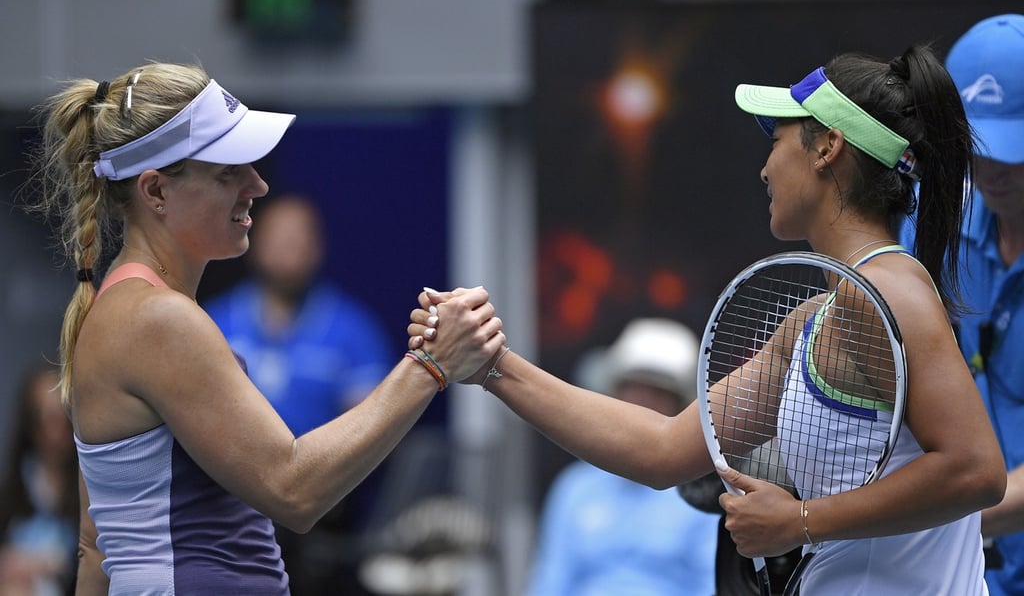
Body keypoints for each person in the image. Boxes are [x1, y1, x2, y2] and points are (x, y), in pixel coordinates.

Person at [411, 44, 1006, 594]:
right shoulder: (813, 321)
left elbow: (976, 472)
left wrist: (800, 521)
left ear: (827, 147)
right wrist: (492, 366)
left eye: (777, 137)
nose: (765, 167)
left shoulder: (886, 290)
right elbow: (663, 449)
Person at [26, 62, 503, 595]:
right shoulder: (157, 319)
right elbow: (294, 491)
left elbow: (95, 549)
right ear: (156, 191)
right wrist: (431, 364)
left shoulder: (126, 310)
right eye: (228, 171)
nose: (258, 184)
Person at [203, 193, 394, 593]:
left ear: (318, 247)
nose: (290, 247)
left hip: (324, 517)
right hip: (226, 511)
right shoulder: (211, 323)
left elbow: (373, 429)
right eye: (279, 236)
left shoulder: (354, 330)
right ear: (255, 242)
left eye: (300, 237)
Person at [898, 14, 1024, 596]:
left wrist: (907, 524)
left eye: (1014, 145)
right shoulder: (927, 223)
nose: (993, 167)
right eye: (976, 145)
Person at [526, 318, 720, 596]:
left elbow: (711, 585)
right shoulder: (574, 487)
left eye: (657, 392)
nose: (640, 402)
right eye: (633, 388)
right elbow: (550, 582)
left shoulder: (704, 493)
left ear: (680, 408)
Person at [0, 365, 78, 596]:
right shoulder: (11, 490)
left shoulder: (89, 489)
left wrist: (52, 564)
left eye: (61, 417)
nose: (54, 432)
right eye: (43, 418)